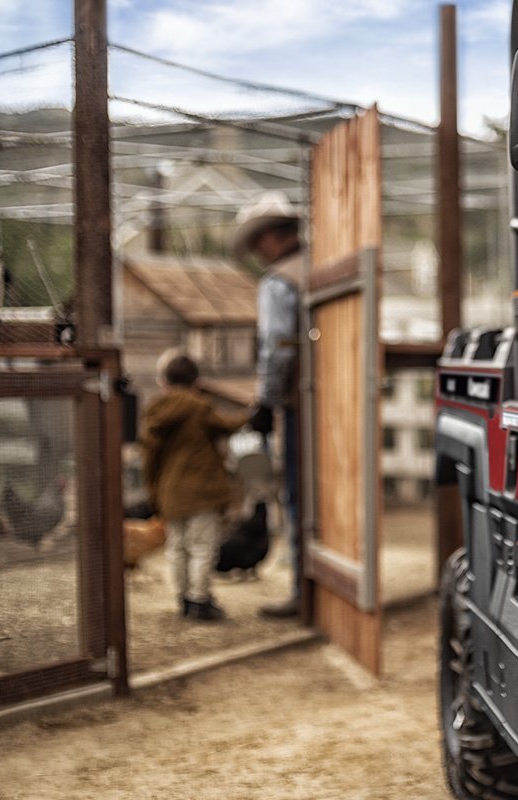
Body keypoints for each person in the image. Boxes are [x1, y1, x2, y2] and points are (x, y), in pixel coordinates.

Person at [232, 191, 305, 618]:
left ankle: (300, 589)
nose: (260, 251)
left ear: (273, 237)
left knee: (297, 491)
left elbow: (278, 346)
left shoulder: (279, 281)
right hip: (333, 397)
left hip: (300, 401)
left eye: (260, 241)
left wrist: (266, 401)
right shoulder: (319, 269)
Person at [140, 352, 249, 621]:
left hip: (170, 492)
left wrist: (154, 491)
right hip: (201, 493)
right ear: (196, 381)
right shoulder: (199, 407)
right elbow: (227, 425)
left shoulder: (155, 411)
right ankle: (200, 600)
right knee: (201, 546)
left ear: (163, 381)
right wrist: (251, 415)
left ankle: (184, 598)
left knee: (176, 547)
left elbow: (149, 456)